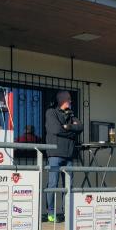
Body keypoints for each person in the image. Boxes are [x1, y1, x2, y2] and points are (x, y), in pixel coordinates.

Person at [45, 91, 83, 222]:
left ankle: (66, 212)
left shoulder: (71, 115)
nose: (71, 102)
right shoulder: (51, 113)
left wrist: (68, 127)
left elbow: (80, 127)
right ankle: (51, 213)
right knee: (53, 184)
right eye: (69, 100)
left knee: (68, 185)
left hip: (69, 155)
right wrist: (71, 131)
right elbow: (56, 130)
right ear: (63, 100)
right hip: (55, 154)